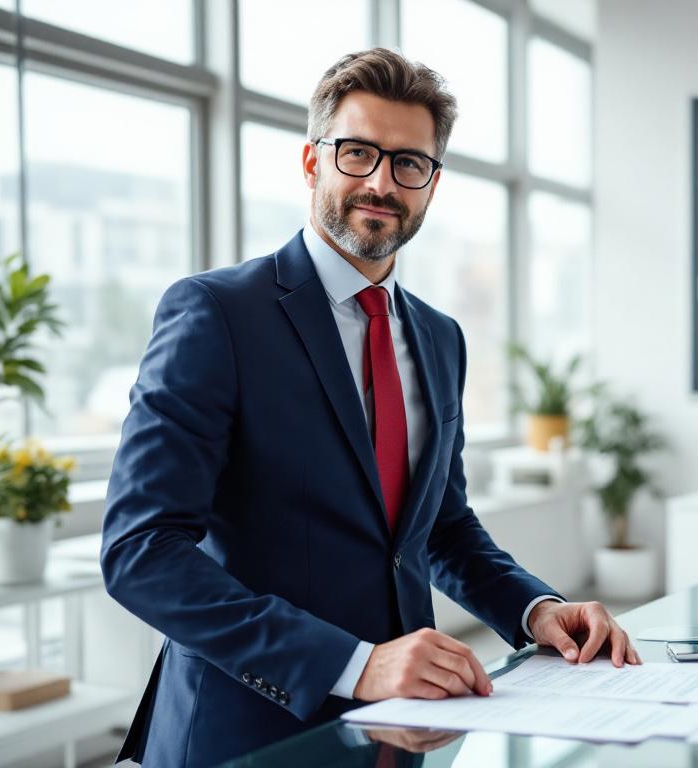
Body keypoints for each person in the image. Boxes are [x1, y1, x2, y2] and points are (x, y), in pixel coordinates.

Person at [101, 47, 638, 767]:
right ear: (311, 161)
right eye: (358, 152)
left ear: (432, 183)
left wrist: (536, 610)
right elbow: (141, 551)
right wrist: (355, 664)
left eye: (409, 163)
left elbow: (440, 529)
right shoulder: (217, 314)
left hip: (405, 733)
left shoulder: (441, 339)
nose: (382, 182)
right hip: (248, 735)